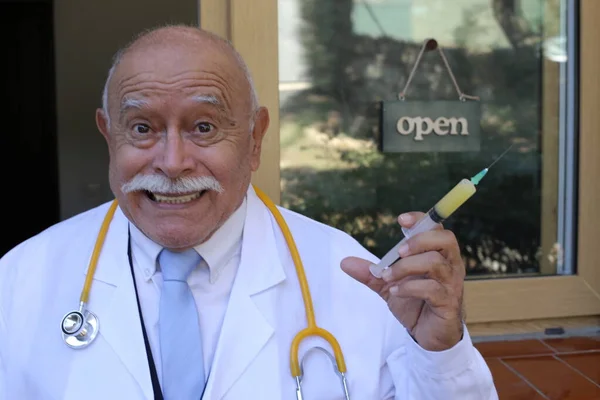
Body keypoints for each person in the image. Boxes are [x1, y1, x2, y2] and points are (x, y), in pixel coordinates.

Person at [0, 25, 498, 399]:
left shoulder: (357, 279)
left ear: (255, 140)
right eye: (142, 128)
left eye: (203, 127)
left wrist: (441, 353)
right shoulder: (22, 277)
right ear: (109, 135)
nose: (172, 163)